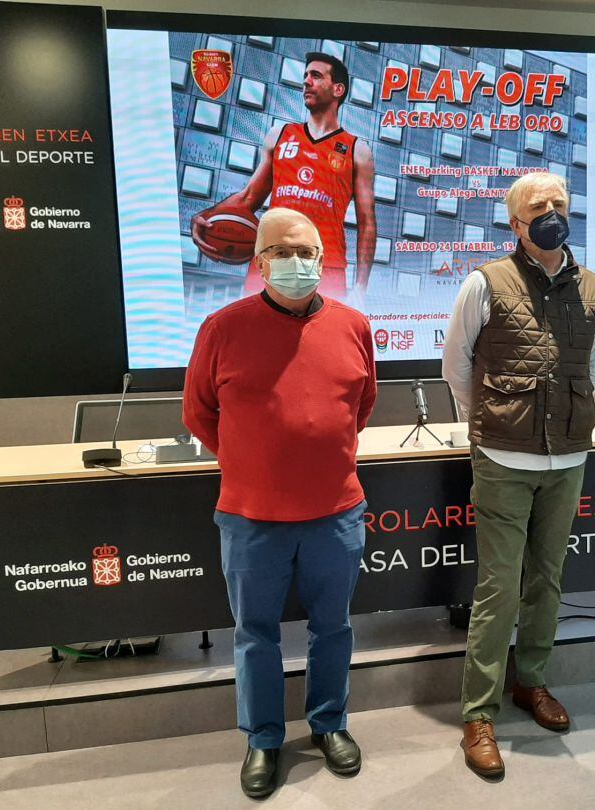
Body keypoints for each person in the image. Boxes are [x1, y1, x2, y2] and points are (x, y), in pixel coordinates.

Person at [183, 207, 377, 798]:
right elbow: (198, 414)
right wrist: (256, 463)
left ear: (321, 258)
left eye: (308, 252)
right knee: (255, 634)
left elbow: (361, 406)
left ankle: (329, 724)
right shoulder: (222, 328)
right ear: (260, 261)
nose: (298, 263)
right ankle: (264, 737)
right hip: (251, 518)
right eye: (284, 252)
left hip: (336, 513)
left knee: (333, 627)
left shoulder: (353, 326)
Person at [442, 171, 595, 778]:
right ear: (515, 222)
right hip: (504, 459)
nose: (552, 213)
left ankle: (531, 683)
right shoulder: (486, 282)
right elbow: (457, 364)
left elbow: (593, 365)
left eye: (559, 204)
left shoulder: (591, 286)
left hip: (567, 458)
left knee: (548, 580)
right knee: (498, 588)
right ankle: (478, 713)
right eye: (539, 207)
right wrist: (489, 424)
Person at [192, 52, 376, 303]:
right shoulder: (279, 135)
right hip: (271, 261)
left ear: (338, 89)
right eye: (305, 76)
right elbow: (248, 197)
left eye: (316, 76)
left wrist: (361, 288)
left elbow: (367, 223)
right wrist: (206, 216)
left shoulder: (357, 150)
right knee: (257, 339)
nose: (306, 81)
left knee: (319, 342)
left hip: (325, 265)